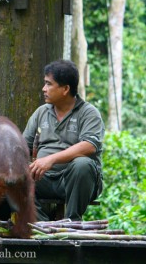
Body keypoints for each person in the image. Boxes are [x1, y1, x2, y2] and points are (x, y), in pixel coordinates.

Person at [23, 59, 105, 221]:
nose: (43, 89)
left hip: (76, 181)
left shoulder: (89, 113)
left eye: (48, 84)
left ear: (65, 89)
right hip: (43, 180)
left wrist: (50, 159)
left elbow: (89, 146)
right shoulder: (41, 112)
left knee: (83, 164)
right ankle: (42, 226)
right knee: (13, 173)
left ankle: (72, 222)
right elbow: (21, 145)